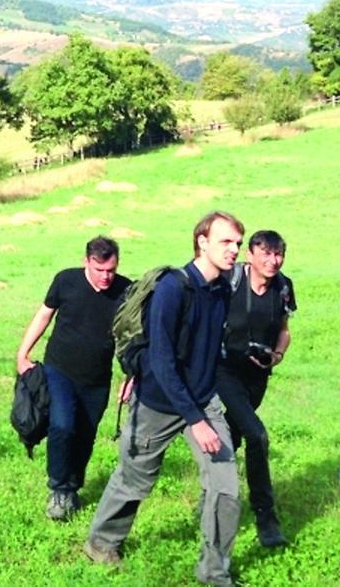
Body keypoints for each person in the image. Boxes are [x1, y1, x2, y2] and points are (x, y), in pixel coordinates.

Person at [85, 212, 245, 587]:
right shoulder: (174, 289)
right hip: (159, 401)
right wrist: (194, 419)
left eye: (238, 242)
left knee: (225, 487)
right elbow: (162, 359)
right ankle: (101, 543)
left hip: (203, 400)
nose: (234, 250)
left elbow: (208, 346)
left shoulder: (223, 288)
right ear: (202, 242)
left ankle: (214, 573)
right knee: (133, 481)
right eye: (226, 242)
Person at [15, 236, 131, 520]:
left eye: (111, 270)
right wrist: (23, 353)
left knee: (85, 435)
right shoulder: (65, 281)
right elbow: (44, 316)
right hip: (60, 370)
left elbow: (132, 335)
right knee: (63, 426)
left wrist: (132, 374)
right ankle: (58, 489)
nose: (106, 276)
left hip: (98, 378)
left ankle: (72, 488)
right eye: (99, 269)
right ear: (86, 262)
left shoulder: (126, 290)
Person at [216, 230, 296, 548]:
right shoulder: (230, 281)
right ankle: (267, 521)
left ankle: (213, 499)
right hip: (225, 370)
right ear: (250, 255)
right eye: (265, 253)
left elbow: (285, 331)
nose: (272, 261)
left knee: (232, 437)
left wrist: (276, 355)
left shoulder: (284, 287)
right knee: (256, 435)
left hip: (257, 375)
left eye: (278, 254)